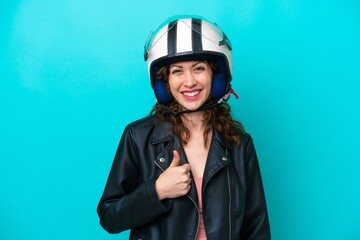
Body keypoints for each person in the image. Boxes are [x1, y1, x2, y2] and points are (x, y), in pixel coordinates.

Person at [97, 16, 271, 240]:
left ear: (216, 76)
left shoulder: (239, 143)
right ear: (165, 81)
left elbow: (256, 228)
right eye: (177, 71)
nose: (189, 82)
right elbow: (109, 217)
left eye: (198, 68)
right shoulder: (137, 137)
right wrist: (157, 191)